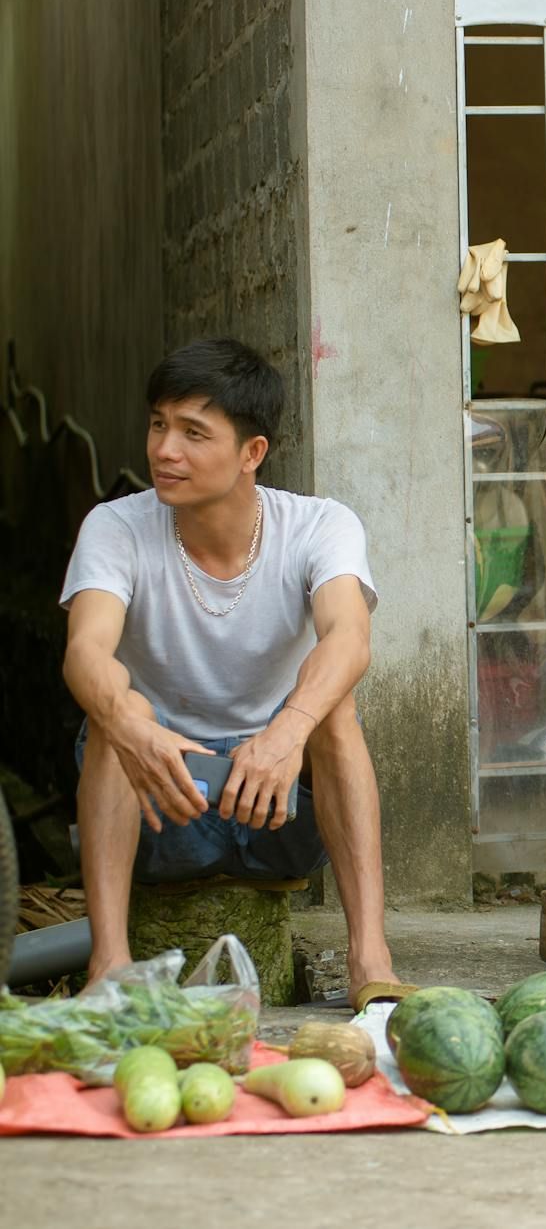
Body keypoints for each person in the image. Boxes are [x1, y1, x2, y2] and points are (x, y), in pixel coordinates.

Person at [61, 338, 401, 1004]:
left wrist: (285, 732)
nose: (164, 449)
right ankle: (109, 966)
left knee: (334, 707)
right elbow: (85, 652)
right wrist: (137, 728)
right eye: (159, 424)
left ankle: (371, 959)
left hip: (274, 803)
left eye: (193, 432)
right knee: (114, 707)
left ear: (253, 453)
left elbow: (348, 637)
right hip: (162, 800)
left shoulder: (319, 525)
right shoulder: (116, 527)